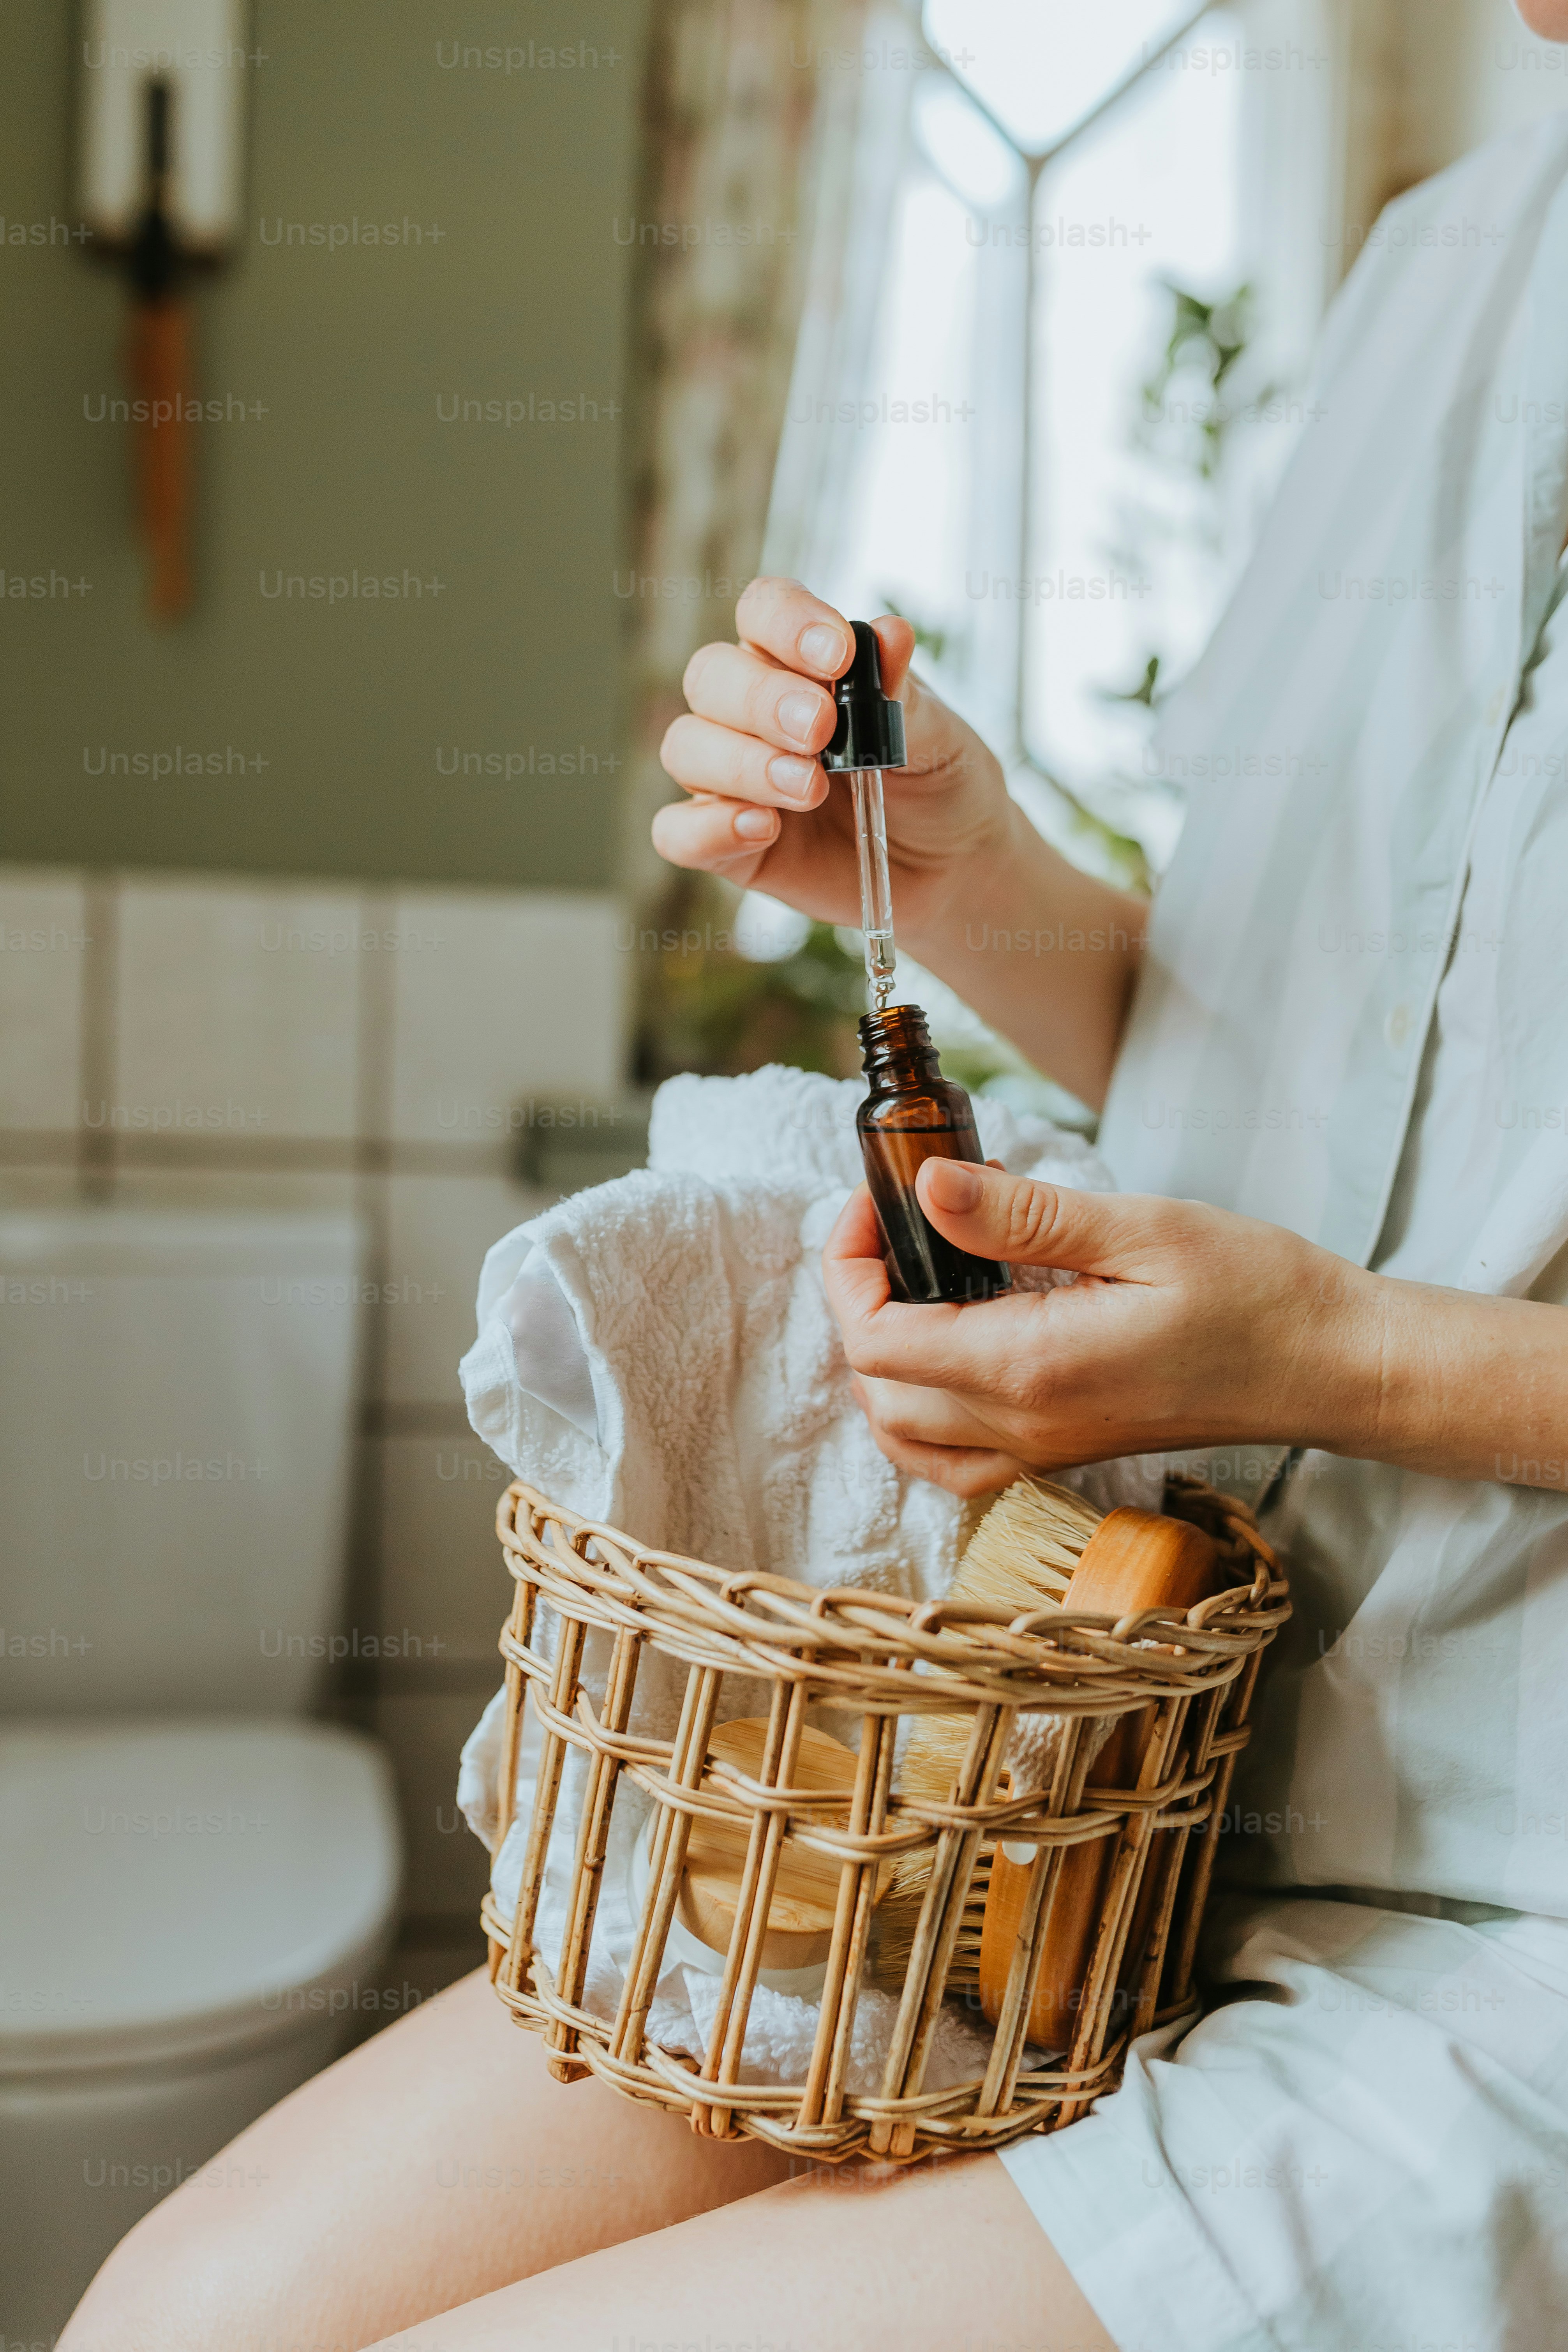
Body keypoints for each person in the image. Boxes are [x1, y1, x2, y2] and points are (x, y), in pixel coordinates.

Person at [64, 26, 1568, 2352]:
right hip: (1101, 1800)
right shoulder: (1441, 264)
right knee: (176, 2323)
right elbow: (1316, 1053)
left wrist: (1329, 1354)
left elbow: (1368, 1271)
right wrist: (966, 879)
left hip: (1507, 1948)